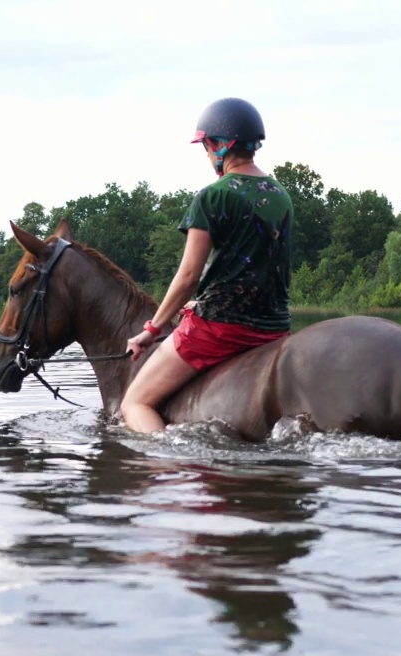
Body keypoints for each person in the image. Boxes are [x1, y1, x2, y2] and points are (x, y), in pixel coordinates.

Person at [120, 97, 295, 434]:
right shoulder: (280, 194)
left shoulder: (213, 196)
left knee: (134, 403)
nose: (205, 153)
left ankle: (168, 464)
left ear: (219, 145)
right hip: (274, 328)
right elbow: (265, 271)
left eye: (205, 145)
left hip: (221, 329)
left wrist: (151, 330)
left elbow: (188, 276)